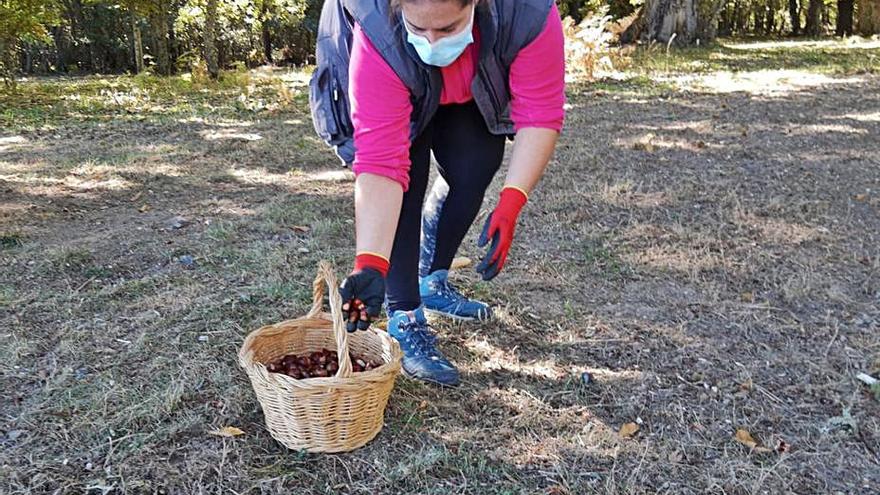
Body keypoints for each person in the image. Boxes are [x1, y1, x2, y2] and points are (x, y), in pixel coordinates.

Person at [313, 0, 565, 386]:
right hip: (392, 74)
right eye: (419, 29)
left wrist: (513, 199)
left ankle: (433, 281)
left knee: (474, 167)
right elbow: (382, 162)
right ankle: (406, 314)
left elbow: (541, 112)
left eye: (447, 29)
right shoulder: (378, 28)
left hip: (471, 81)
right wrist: (370, 264)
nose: (432, 41)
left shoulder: (526, 11)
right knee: (406, 185)